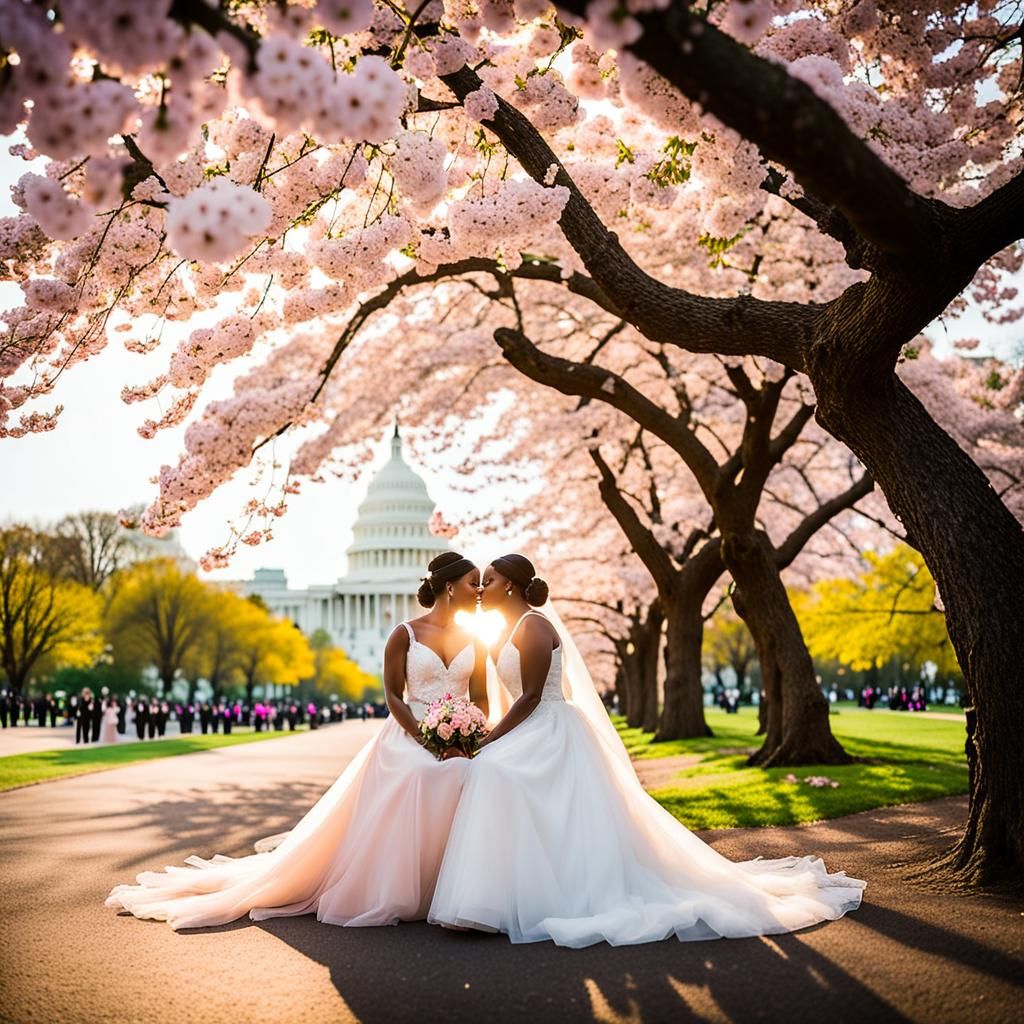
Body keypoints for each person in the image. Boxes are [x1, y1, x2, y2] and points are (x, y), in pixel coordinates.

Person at [429, 553, 865, 947]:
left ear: (510, 584)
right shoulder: (504, 631)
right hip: (531, 730)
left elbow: (530, 698)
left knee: (491, 771)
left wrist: (488, 741)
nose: (482, 587)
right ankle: (498, 895)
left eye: (489, 579)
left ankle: (519, 896)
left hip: (550, 726)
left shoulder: (536, 627)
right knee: (490, 774)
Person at [106, 552, 490, 931]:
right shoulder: (403, 633)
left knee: (473, 773)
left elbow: (481, 697)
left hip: (459, 735)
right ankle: (406, 884)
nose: (478, 591)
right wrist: (428, 739)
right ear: (448, 586)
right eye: (472, 583)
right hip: (411, 731)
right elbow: (392, 696)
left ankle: (452, 885)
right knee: (420, 773)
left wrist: (469, 736)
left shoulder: (475, 638)